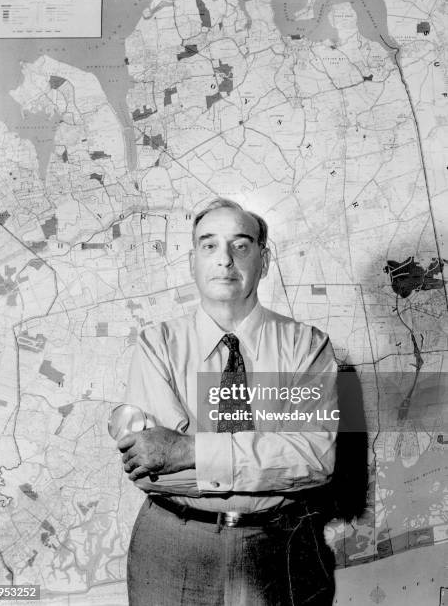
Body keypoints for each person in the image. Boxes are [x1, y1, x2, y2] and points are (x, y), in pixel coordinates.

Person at [118, 199, 339, 606]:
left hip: (280, 544)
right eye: (208, 246)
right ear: (192, 262)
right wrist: (271, 460)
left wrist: (188, 450)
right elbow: (152, 471)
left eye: (241, 245)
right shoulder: (156, 345)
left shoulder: (308, 347)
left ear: (264, 259)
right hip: (172, 544)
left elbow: (316, 460)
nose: (224, 260)